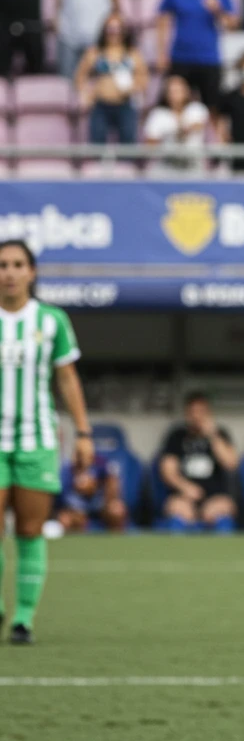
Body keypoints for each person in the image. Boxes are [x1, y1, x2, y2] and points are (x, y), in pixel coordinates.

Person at [0, 240, 95, 645]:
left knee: (30, 529)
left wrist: (83, 432)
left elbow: (67, 378)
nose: (9, 272)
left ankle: (23, 619)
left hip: (37, 440)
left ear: (32, 272)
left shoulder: (52, 320)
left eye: (18, 264)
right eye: (2, 264)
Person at [156, 0, 238, 110]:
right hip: (181, 57)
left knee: (213, 107)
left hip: (208, 58)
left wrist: (218, 10)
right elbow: (163, 21)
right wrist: (161, 53)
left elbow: (233, 25)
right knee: (173, 105)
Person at [157, 392, 239, 532]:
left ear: (208, 413)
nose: (196, 416)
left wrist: (212, 435)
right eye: (192, 412)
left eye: (201, 412)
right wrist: (185, 487)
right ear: (186, 414)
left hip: (214, 498)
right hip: (185, 497)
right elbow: (167, 471)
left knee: (224, 509)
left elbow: (231, 464)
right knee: (176, 509)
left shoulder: (220, 435)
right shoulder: (177, 436)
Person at [75, 12, 148, 146]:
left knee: (128, 144)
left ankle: (126, 167)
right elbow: (80, 75)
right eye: (110, 29)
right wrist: (85, 92)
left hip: (125, 104)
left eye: (118, 29)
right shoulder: (95, 53)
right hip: (101, 105)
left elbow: (143, 77)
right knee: (97, 143)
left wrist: (135, 88)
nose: (114, 33)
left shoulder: (132, 53)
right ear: (104, 31)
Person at [143, 74, 210, 173]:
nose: (175, 95)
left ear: (186, 92)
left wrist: (184, 130)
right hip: (167, 164)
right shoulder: (158, 114)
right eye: (171, 91)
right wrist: (167, 136)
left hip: (192, 164)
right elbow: (150, 142)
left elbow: (198, 125)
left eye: (178, 91)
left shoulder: (196, 108)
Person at [55, 455, 127, 533]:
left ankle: (116, 542)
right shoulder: (68, 468)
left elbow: (113, 484)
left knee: (116, 511)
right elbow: (64, 498)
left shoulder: (101, 464)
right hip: (77, 509)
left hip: (101, 507)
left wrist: (99, 490)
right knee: (66, 520)